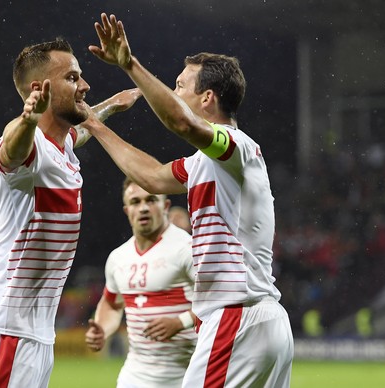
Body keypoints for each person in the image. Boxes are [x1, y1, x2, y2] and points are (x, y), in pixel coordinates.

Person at [82, 13, 294, 387]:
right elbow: (152, 177)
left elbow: (181, 123)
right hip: (260, 321)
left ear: (207, 98)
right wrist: (96, 126)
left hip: (236, 319)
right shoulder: (206, 162)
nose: (173, 94)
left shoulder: (234, 146)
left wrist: (129, 64)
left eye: (180, 86)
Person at [0, 38, 141, 388]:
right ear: (39, 89)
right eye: (72, 78)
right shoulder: (30, 148)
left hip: (36, 337)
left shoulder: (63, 144)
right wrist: (27, 120)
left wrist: (113, 104)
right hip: (4, 332)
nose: (84, 85)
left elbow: (81, 131)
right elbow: (11, 149)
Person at [85, 177, 197, 387]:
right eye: (136, 202)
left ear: (165, 206)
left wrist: (180, 322)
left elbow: (221, 301)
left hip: (188, 374)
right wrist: (102, 328)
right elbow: (111, 303)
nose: (143, 208)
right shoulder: (118, 258)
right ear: (127, 210)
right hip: (135, 375)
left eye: (151, 200)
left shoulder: (187, 249)